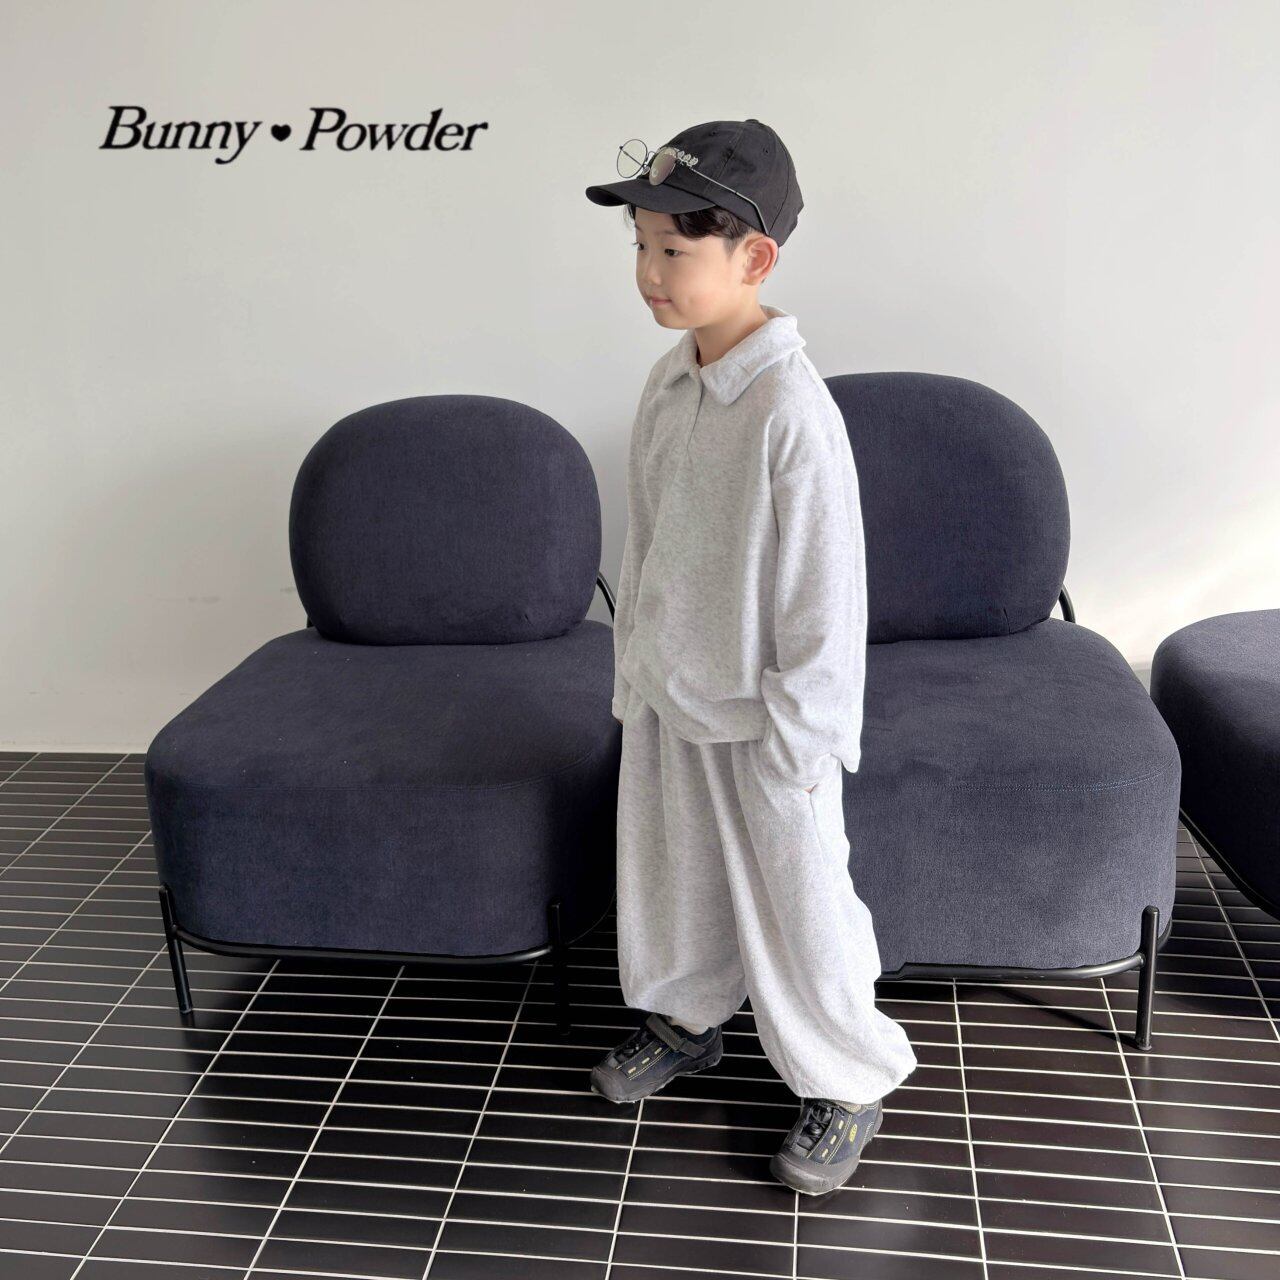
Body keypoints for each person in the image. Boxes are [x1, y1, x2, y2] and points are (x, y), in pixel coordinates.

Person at [582, 119, 918, 1196]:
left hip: (767, 718)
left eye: (673, 250)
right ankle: (685, 1018)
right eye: (640, 247)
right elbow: (643, 541)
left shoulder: (791, 410)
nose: (649, 273)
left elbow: (827, 596)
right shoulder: (668, 382)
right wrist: (632, 673)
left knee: (802, 902)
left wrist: (802, 739)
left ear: (754, 256)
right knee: (672, 878)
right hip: (670, 695)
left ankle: (848, 1077)